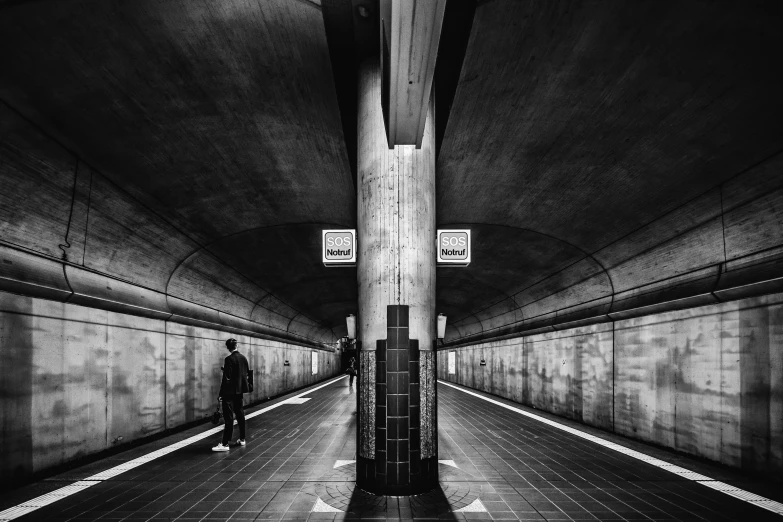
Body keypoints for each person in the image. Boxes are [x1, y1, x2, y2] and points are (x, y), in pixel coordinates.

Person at [212, 338, 250, 452]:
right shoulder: (243, 358)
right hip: (239, 392)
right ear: (237, 345)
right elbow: (246, 373)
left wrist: (221, 394)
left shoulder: (229, 359)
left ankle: (224, 444)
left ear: (228, 348)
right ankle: (242, 439)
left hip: (229, 393)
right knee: (240, 415)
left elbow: (226, 378)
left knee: (229, 418)